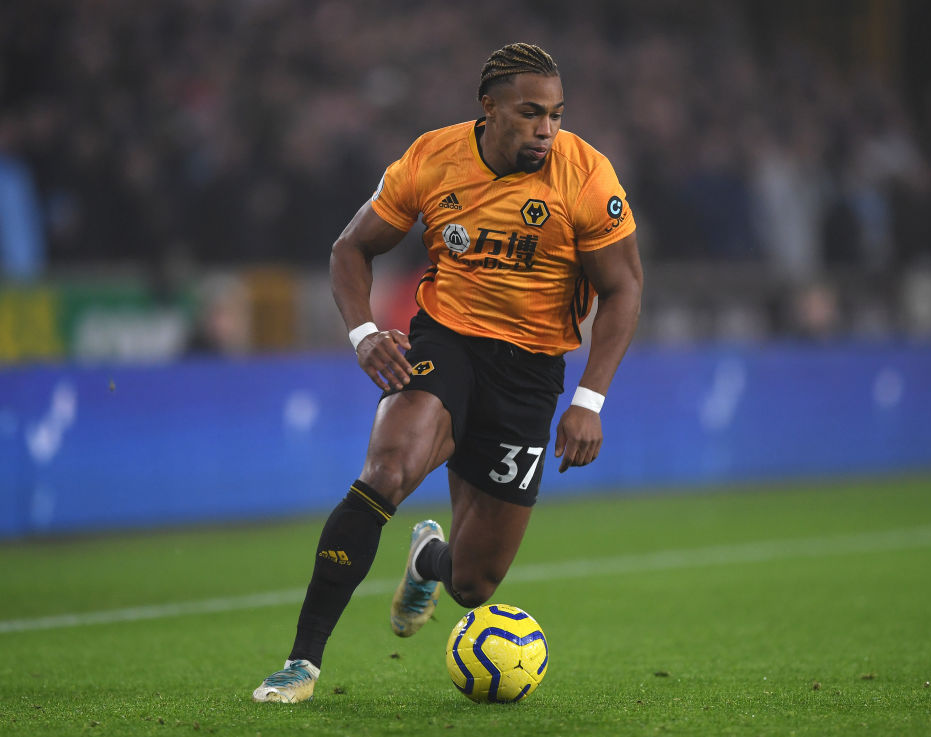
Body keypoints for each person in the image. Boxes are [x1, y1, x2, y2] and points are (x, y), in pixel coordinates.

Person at [253, 42, 643, 703]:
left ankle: (427, 561)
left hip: (532, 373)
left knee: (472, 583)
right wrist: (364, 333)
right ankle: (301, 663)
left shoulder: (585, 174)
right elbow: (352, 247)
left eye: (555, 114)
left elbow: (624, 287)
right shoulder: (433, 158)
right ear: (489, 108)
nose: (546, 129)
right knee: (387, 471)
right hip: (448, 341)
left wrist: (589, 399)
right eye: (530, 113)